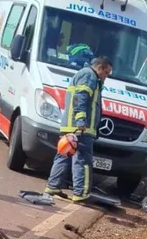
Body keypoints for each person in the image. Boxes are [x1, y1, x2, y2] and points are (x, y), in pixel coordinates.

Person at [45, 55, 112, 201]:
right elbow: (80, 98)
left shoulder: (84, 74)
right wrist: (81, 120)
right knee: (82, 160)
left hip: (71, 126)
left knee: (64, 154)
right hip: (81, 128)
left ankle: (53, 186)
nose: (106, 77)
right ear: (100, 67)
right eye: (106, 73)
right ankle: (81, 193)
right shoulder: (89, 76)